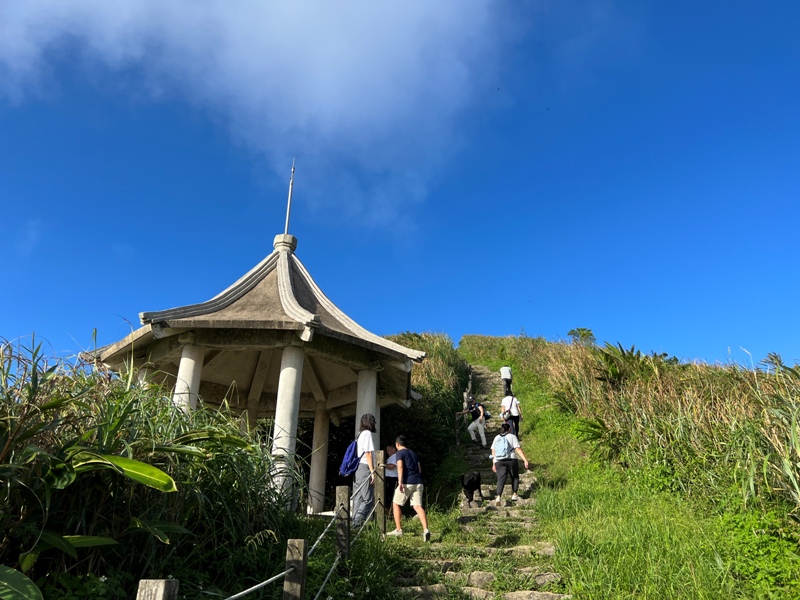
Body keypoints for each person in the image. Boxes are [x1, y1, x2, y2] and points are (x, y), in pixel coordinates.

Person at [385, 435, 431, 541]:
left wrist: (400, 482)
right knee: (417, 506)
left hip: (407, 482)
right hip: (418, 482)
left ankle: (398, 529)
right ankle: (426, 530)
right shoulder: (414, 453)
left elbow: (400, 466)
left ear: (397, 444)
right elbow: (419, 469)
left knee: (396, 503)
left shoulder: (400, 453)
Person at [491, 422, 529, 506]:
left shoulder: (497, 437)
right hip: (511, 459)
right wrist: (525, 460)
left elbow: (493, 451)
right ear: (509, 429)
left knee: (501, 479)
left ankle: (498, 496)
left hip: (499, 461)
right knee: (515, 477)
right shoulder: (512, 436)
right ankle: (515, 494)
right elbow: (517, 449)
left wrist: (494, 463)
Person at [352, 413, 376, 528]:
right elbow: (368, 454)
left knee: (358, 497)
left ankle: (354, 524)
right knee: (368, 499)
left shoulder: (359, 434)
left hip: (358, 468)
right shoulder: (367, 434)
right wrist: (372, 471)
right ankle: (357, 523)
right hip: (364, 467)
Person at [384, 443, 398, 512]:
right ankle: (388, 510)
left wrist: (383, 465)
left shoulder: (395, 456)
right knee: (387, 495)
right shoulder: (392, 457)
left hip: (391, 478)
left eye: (388, 450)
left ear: (393, 449)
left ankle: (390, 510)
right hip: (389, 478)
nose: (387, 452)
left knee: (390, 495)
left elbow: (392, 466)